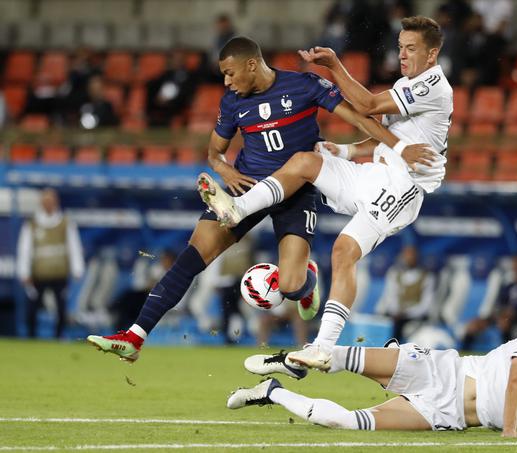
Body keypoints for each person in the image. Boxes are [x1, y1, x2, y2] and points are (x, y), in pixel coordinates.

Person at [86, 36, 430, 362]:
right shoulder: (233, 103)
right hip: (247, 187)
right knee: (191, 258)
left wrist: (399, 147)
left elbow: (358, 117)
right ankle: (135, 336)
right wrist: (226, 171)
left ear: (252, 65)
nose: (226, 82)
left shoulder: (304, 86)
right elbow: (214, 154)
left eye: (229, 73)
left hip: (297, 193)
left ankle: (306, 281)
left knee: (292, 285)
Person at [208, 16, 450, 372]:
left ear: (432, 54)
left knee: (343, 250)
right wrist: (347, 151)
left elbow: (366, 106)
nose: (402, 54)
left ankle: (322, 347)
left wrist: (335, 66)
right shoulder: (407, 83)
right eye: (400, 47)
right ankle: (239, 207)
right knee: (306, 160)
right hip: (377, 175)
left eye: (411, 48)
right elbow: (381, 139)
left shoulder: (433, 85)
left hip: (404, 187)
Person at [229, 302, 517, 437]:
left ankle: (272, 391)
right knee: (338, 357)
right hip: (444, 372)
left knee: (347, 423)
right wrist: (511, 431)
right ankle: (293, 360)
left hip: (445, 414)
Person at [16, 188, 85, 338]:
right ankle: (31, 337)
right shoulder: (32, 224)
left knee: (61, 309)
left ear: (56, 203)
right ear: (41, 203)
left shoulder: (64, 222)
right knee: (32, 308)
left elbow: (74, 246)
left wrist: (77, 269)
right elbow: (25, 249)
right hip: (38, 274)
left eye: (51, 201)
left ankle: (58, 337)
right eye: (46, 201)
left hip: (59, 274)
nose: (48, 205)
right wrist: (24, 272)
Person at [376, 244, 436, 342]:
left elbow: (426, 304)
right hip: (395, 315)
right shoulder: (394, 273)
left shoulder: (427, 277)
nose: (408, 258)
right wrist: (395, 312)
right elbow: (390, 296)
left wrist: (407, 314)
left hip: (415, 317)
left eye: (411, 255)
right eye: (406, 255)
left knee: (401, 328)